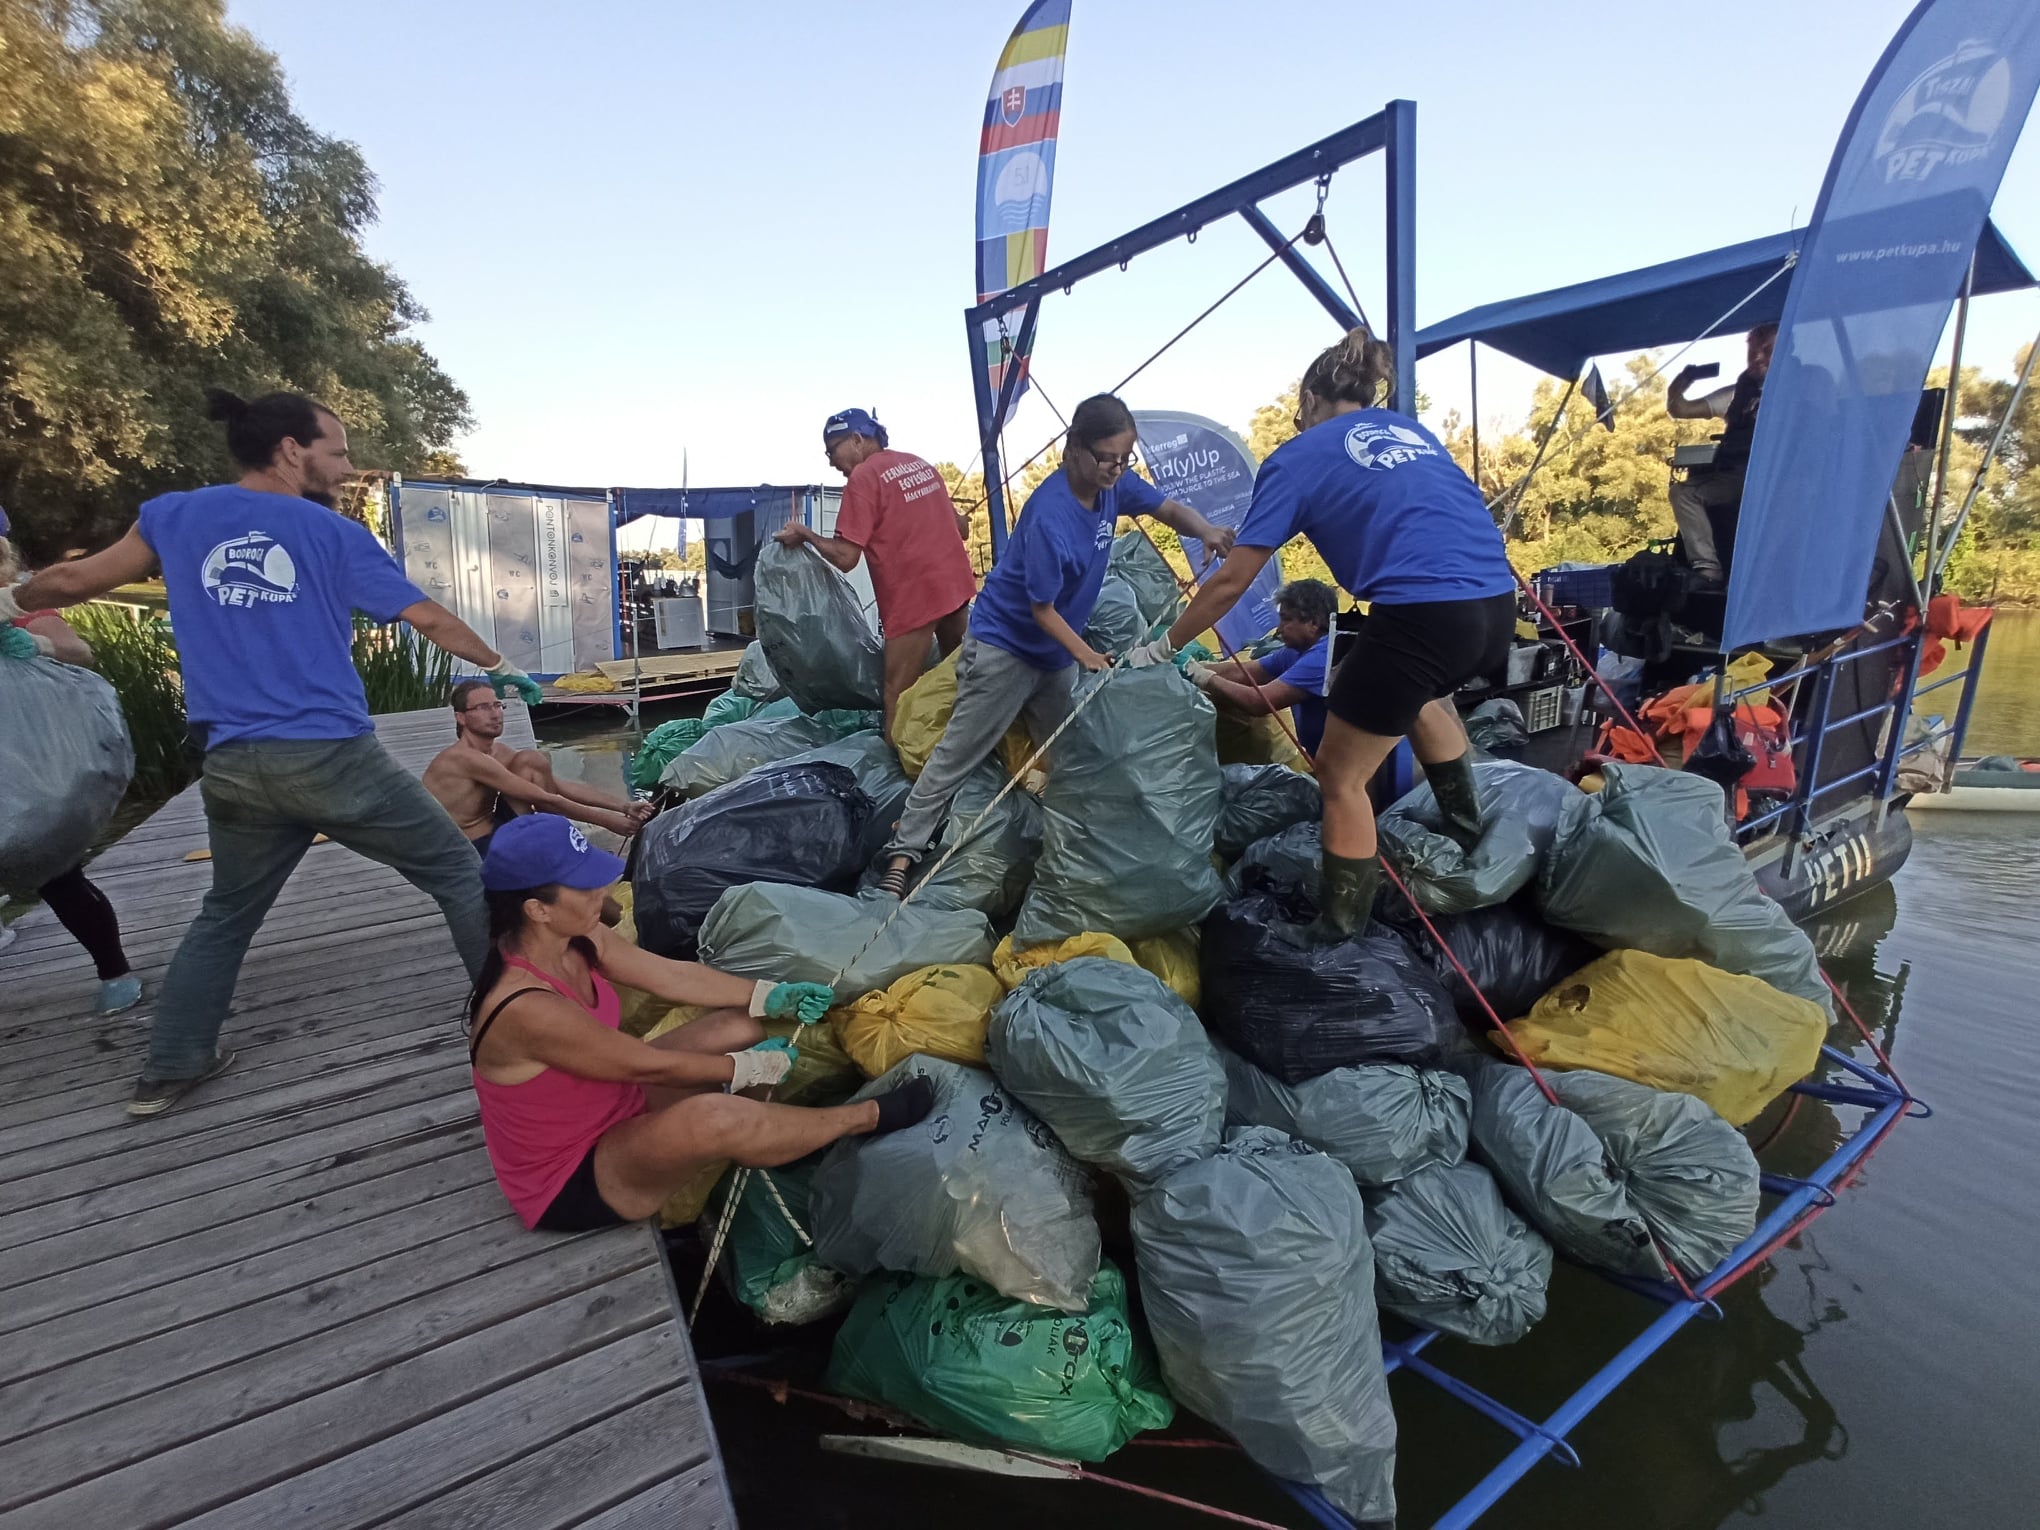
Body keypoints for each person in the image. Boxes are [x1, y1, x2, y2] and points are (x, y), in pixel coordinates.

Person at [0, 388, 548, 1117]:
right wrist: (502, 667)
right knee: (455, 869)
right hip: (331, 759)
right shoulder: (329, 533)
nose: (348, 468)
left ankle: (171, 1067)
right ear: (293, 450)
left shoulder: (174, 514)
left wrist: (11, 601)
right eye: (339, 452)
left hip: (232, 768)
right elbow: (428, 618)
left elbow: (71, 582)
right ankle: (522, 1032)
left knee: (225, 912)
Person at [1141, 328, 1516, 939]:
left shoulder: (1297, 456)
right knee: (1415, 696)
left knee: (1339, 777)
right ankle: (1469, 833)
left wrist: (1166, 644)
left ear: (1311, 399)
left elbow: (1234, 579)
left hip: (1421, 615)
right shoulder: (1411, 432)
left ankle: (1338, 931)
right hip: (1495, 607)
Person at [469, 813, 936, 1231]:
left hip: (618, 1104)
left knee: (741, 1025)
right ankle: (861, 1119)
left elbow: (670, 975)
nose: (604, 892)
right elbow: (644, 1066)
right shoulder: (525, 1005)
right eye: (584, 885)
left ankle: (765, 1133)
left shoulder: (577, 936)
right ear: (538, 909)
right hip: (574, 1174)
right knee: (713, 1115)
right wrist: (743, 1069)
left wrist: (767, 996)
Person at [873, 393, 1236, 896]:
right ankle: (903, 851)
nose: (1115, 468)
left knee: (1072, 754)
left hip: (1054, 653)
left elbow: (1168, 508)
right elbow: (1041, 610)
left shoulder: (1114, 485)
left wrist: (1208, 531)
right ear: (1074, 450)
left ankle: (1077, 850)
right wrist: (1086, 655)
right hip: (1006, 646)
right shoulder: (1050, 516)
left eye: (1123, 458)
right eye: (1105, 457)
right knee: (959, 752)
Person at [0, 509, 143, 1015]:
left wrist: (32, 643)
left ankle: (114, 971)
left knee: (58, 875)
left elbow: (77, 651)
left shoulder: (14, 600)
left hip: (22, 766)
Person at [773, 409, 979, 741]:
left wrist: (806, 534)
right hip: (954, 588)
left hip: (916, 599)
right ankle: (973, 743)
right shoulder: (919, 464)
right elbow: (960, 529)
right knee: (964, 676)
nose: (830, 462)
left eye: (832, 449)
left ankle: (894, 769)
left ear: (857, 439)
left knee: (897, 691)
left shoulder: (864, 478)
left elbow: (845, 557)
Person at [424, 679, 652, 859]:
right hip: (467, 850)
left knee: (531, 761)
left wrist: (624, 805)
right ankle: (562, 849)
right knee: (538, 784)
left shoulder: (498, 752)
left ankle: (559, 849)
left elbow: (558, 785)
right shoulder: (465, 758)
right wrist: (610, 822)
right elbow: (547, 800)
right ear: (460, 717)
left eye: (497, 705)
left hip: (494, 831)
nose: (495, 714)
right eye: (483, 707)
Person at [1665, 322, 1778, 585]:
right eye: (1753, 352)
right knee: (1683, 493)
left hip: (1782, 478)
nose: (1758, 358)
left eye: (1768, 351)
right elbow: (1680, 409)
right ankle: (1707, 570)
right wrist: (1678, 386)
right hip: (1739, 475)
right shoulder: (1739, 392)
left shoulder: (1807, 382)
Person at [1187, 577, 1337, 755]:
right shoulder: (1296, 650)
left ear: (1313, 623)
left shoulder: (1323, 657)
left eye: (1286, 620)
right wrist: (1189, 666)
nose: (1279, 629)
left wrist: (1204, 677)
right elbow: (1242, 672)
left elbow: (1259, 702)